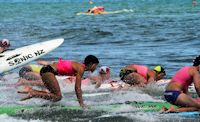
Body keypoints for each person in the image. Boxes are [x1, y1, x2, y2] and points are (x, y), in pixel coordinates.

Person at [18, 55, 99, 108]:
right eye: (96, 65)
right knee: (58, 96)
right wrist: (81, 104)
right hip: (48, 71)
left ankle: (35, 95)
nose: (96, 67)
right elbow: (77, 88)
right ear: (91, 64)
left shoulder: (79, 66)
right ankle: (33, 93)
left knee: (55, 96)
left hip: (47, 70)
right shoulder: (80, 68)